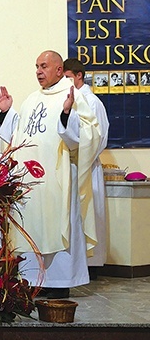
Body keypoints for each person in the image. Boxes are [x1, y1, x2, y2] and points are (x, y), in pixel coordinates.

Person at [0, 50, 100, 299]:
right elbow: (17, 136)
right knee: (32, 224)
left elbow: (87, 137)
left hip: (58, 177)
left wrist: (66, 114)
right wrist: (6, 113)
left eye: (43, 66)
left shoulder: (71, 94)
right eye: (36, 66)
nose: (38, 71)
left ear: (57, 69)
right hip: (30, 181)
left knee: (58, 221)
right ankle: (32, 279)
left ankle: (59, 282)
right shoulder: (32, 99)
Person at [64, 58, 110, 278]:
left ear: (79, 76)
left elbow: (100, 137)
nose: (64, 82)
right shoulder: (68, 99)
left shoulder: (92, 102)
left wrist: (82, 158)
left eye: (67, 77)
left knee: (90, 213)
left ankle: (91, 265)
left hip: (87, 165)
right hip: (70, 166)